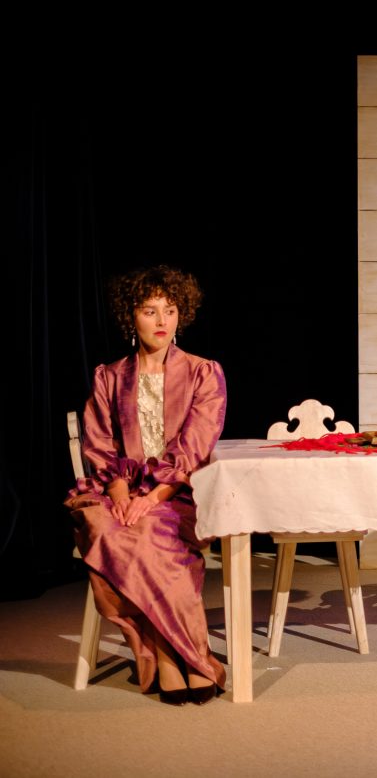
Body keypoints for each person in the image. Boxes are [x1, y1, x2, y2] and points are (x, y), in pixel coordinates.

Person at [66, 265, 227, 704]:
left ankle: (171, 656)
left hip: (178, 493)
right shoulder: (109, 376)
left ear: (181, 315)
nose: (161, 321)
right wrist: (120, 494)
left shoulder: (203, 373)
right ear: (130, 317)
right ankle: (180, 658)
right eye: (150, 310)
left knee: (154, 533)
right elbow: (99, 443)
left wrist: (154, 496)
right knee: (109, 530)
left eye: (170, 310)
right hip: (116, 489)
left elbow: (195, 447)